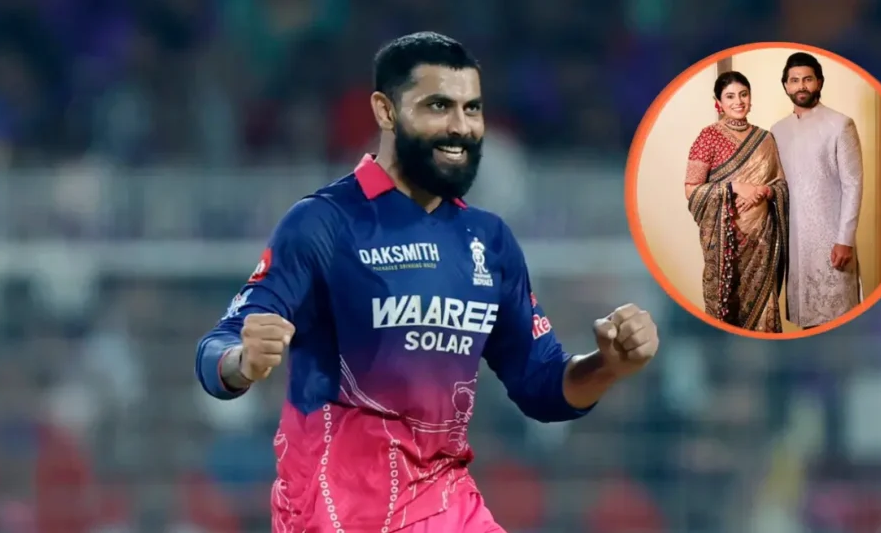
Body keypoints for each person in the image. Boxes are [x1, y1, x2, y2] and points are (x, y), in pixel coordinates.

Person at [195, 31, 660, 533]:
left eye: (472, 108)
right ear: (385, 111)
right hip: (340, 516)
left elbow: (542, 386)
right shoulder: (324, 224)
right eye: (438, 106)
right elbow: (216, 349)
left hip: (451, 509)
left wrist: (608, 365)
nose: (461, 126)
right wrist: (242, 362)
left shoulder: (488, 241)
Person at [684, 71, 790, 332]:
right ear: (718, 102)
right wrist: (734, 187)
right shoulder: (708, 137)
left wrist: (764, 191)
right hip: (727, 240)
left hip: (763, 239)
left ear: (750, 98)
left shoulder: (765, 138)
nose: (738, 101)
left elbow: (782, 185)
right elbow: (691, 189)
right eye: (730, 96)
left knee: (764, 308)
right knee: (728, 310)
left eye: (743, 95)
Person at [770, 52, 864, 329]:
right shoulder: (777, 130)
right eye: (794, 80)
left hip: (831, 239)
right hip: (795, 241)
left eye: (807, 79)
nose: (801, 86)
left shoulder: (840, 124)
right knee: (807, 321)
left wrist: (845, 239)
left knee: (838, 319)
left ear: (819, 82)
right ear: (786, 85)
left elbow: (853, 183)